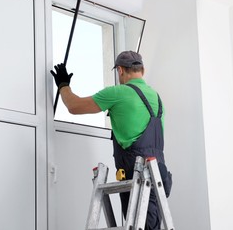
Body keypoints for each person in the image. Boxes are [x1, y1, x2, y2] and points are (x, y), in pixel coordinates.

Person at [50, 50, 172, 230]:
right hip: (158, 173)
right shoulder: (157, 98)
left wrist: (63, 85)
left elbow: (74, 106)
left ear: (120, 70)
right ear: (142, 71)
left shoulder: (118, 93)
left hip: (136, 173)